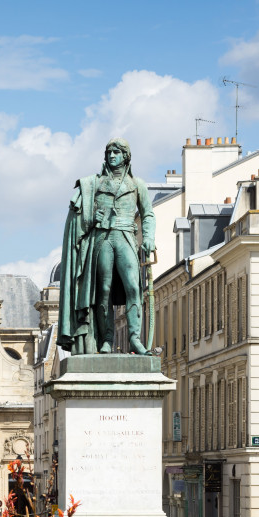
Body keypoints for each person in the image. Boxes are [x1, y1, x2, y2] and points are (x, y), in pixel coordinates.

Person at [58, 138, 157, 356]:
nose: (112, 156)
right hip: (102, 239)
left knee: (133, 287)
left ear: (125, 156)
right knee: (103, 291)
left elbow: (148, 214)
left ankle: (134, 339)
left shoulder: (136, 184)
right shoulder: (96, 184)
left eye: (116, 152)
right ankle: (107, 339)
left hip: (126, 237)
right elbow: (78, 215)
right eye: (109, 152)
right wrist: (92, 216)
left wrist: (148, 237)